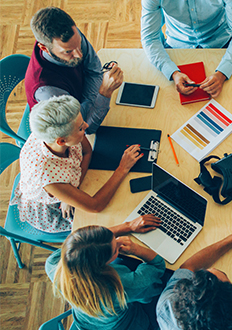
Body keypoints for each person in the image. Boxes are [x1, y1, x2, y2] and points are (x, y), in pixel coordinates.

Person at [9, 95, 142, 233]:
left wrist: (73, 189)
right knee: (106, 223)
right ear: (61, 141)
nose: (86, 126)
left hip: (66, 185)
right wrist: (122, 168)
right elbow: (95, 206)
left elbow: (87, 152)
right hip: (53, 208)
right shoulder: (48, 178)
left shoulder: (59, 132)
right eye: (80, 128)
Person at [45, 217, 167, 330]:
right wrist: (135, 249)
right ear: (100, 263)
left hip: (91, 327)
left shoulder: (54, 265)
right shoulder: (119, 286)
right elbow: (157, 266)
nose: (118, 242)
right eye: (115, 249)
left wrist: (128, 227)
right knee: (167, 281)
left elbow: (88, 243)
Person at [26, 7, 123, 134]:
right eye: (68, 52)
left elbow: (94, 71)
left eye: (79, 44)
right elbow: (85, 127)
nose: (79, 54)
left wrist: (88, 105)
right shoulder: (47, 90)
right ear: (44, 48)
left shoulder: (71, 37)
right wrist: (104, 92)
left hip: (78, 101)